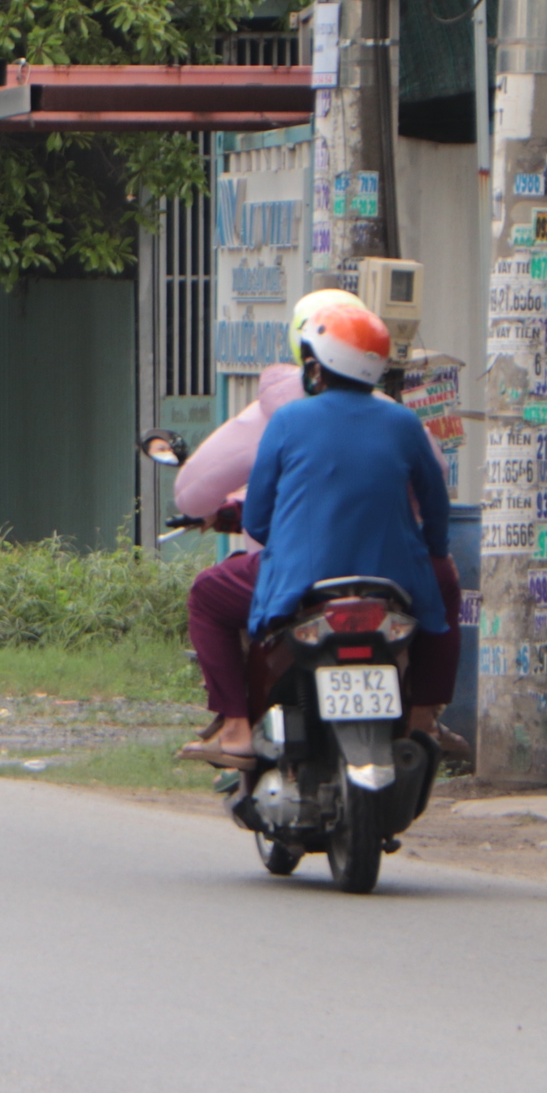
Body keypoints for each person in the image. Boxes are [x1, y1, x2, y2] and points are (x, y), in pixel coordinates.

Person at [181, 298, 459, 768]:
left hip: (301, 581)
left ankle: (233, 727)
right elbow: (436, 509)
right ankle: (424, 715)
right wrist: (432, 558)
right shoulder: (405, 423)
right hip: (394, 581)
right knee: (447, 582)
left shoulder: (287, 419)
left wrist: (282, 542)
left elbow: (258, 518)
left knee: (206, 595)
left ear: (317, 364)